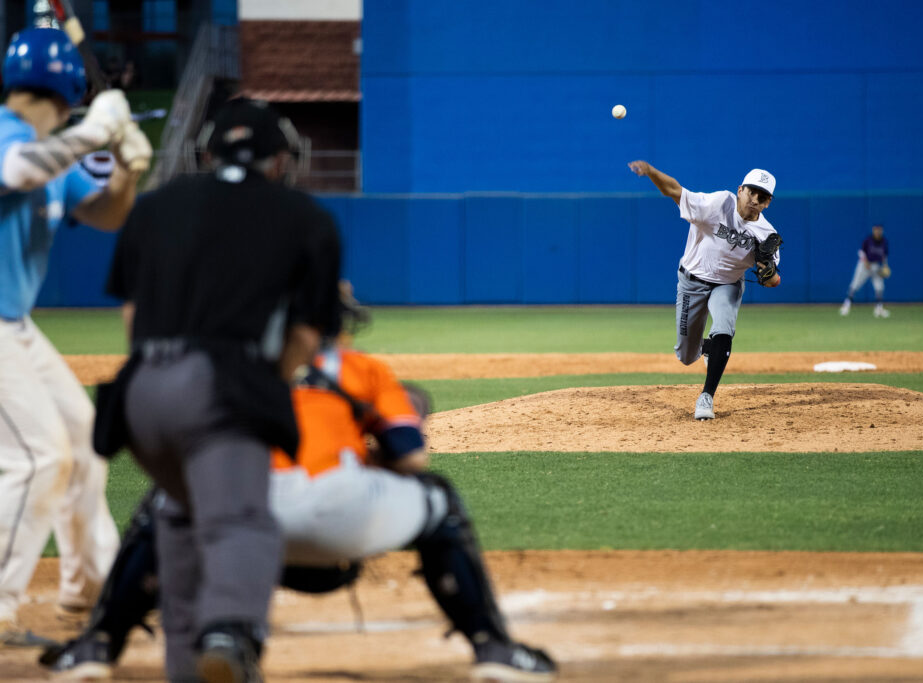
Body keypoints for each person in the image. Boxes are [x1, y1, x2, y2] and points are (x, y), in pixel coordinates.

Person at [41, 292, 558, 683]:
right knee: (438, 496)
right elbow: (411, 455)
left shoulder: (223, 367)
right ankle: (492, 647)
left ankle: (99, 646)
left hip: (238, 528)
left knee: (168, 499)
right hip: (340, 526)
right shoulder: (360, 367)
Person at [101, 98, 342, 682]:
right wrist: (264, 385)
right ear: (280, 158)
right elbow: (308, 334)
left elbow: (133, 318)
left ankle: (188, 664)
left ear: (206, 151)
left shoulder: (153, 209)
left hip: (137, 397)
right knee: (241, 523)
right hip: (218, 388)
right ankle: (229, 632)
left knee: (183, 523)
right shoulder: (304, 215)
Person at [0, 27, 151, 646]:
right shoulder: (15, 142)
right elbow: (19, 172)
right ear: (69, 91)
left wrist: (128, 163)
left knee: (87, 444)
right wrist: (92, 133)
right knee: (39, 458)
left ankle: (90, 591)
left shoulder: (51, 148)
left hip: (17, 325)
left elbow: (109, 215)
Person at [629, 162, 782, 420]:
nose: (755, 200)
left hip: (728, 284)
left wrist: (768, 274)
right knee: (686, 354)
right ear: (740, 190)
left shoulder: (766, 234)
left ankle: (706, 396)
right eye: (751, 192)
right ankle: (708, 348)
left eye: (762, 196)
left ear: (768, 203)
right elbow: (674, 191)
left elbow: (773, 280)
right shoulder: (718, 204)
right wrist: (652, 172)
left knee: (723, 326)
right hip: (693, 281)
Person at [839, 223, 891, 318]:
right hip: (864, 266)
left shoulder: (884, 241)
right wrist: (865, 262)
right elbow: (861, 252)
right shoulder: (868, 240)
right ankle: (846, 306)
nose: (877, 231)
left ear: (882, 230)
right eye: (876, 229)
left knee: (879, 287)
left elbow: (884, 256)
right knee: (855, 284)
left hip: (876, 266)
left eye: (879, 229)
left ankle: (879, 308)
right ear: (873, 230)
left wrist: (885, 266)